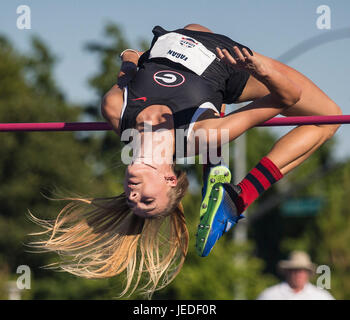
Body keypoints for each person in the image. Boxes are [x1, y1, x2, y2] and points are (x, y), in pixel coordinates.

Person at [29, 24, 341, 298]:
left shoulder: (115, 110)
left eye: (130, 197)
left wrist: (129, 57)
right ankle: (240, 196)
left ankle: (212, 168)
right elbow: (288, 96)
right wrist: (261, 68)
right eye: (147, 200)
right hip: (231, 65)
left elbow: (130, 64)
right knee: (329, 118)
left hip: (184, 37)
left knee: (196, 25)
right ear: (171, 180)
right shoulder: (205, 135)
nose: (134, 194)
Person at [257, 251, 335, 300]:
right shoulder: (270, 295)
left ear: (308, 273)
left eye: (302, 270)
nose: (298, 274)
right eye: (294, 270)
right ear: (287, 271)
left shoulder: (321, 296)